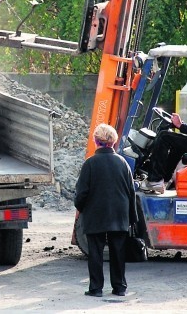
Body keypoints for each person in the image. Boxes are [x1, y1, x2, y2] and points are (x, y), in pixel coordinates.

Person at [74, 123, 138, 298]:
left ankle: (96, 288)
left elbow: (82, 193)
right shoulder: (123, 163)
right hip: (119, 215)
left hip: (95, 215)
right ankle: (120, 287)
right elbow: (130, 192)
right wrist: (132, 218)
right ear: (113, 142)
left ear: (96, 141)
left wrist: (79, 207)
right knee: (118, 252)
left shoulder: (90, 164)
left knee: (95, 252)